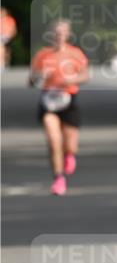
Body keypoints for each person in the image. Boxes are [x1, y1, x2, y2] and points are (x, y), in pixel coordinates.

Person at [29, 18, 89, 196]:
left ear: (68, 34)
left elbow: (86, 75)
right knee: (54, 140)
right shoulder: (42, 55)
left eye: (62, 32)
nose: (59, 35)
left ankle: (69, 155)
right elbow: (31, 81)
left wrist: (72, 80)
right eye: (56, 32)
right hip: (48, 101)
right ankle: (58, 178)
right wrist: (40, 76)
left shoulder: (75, 53)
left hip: (68, 100)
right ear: (51, 34)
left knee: (70, 145)